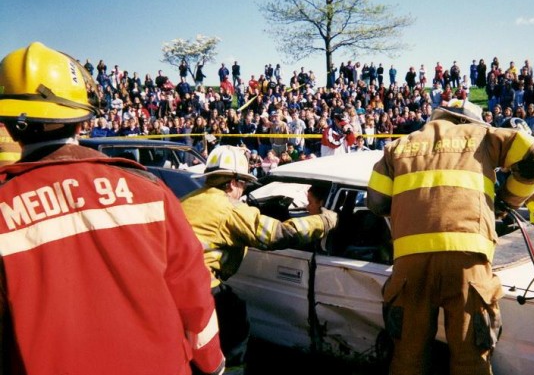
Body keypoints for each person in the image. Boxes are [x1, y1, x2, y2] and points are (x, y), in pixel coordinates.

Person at [0, 42, 224, 374]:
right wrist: (212, 364)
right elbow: (193, 292)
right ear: (81, 120)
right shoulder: (149, 190)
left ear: (9, 122)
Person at [367, 99, 534, 375]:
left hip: (410, 265)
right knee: (470, 360)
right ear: (468, 122)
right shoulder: (484, 136)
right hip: (467, 262)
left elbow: (377, 203)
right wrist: (507, 200)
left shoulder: (397, 147)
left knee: (408, 358)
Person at [180, 145, 337, 374]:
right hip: (202, 286)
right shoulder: (228, 209)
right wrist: (324, 221)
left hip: (171, 285)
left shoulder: (188, 200)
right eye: (243, 184)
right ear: (233, 182)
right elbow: (279, 235)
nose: (243, 191)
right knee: (234, 323)